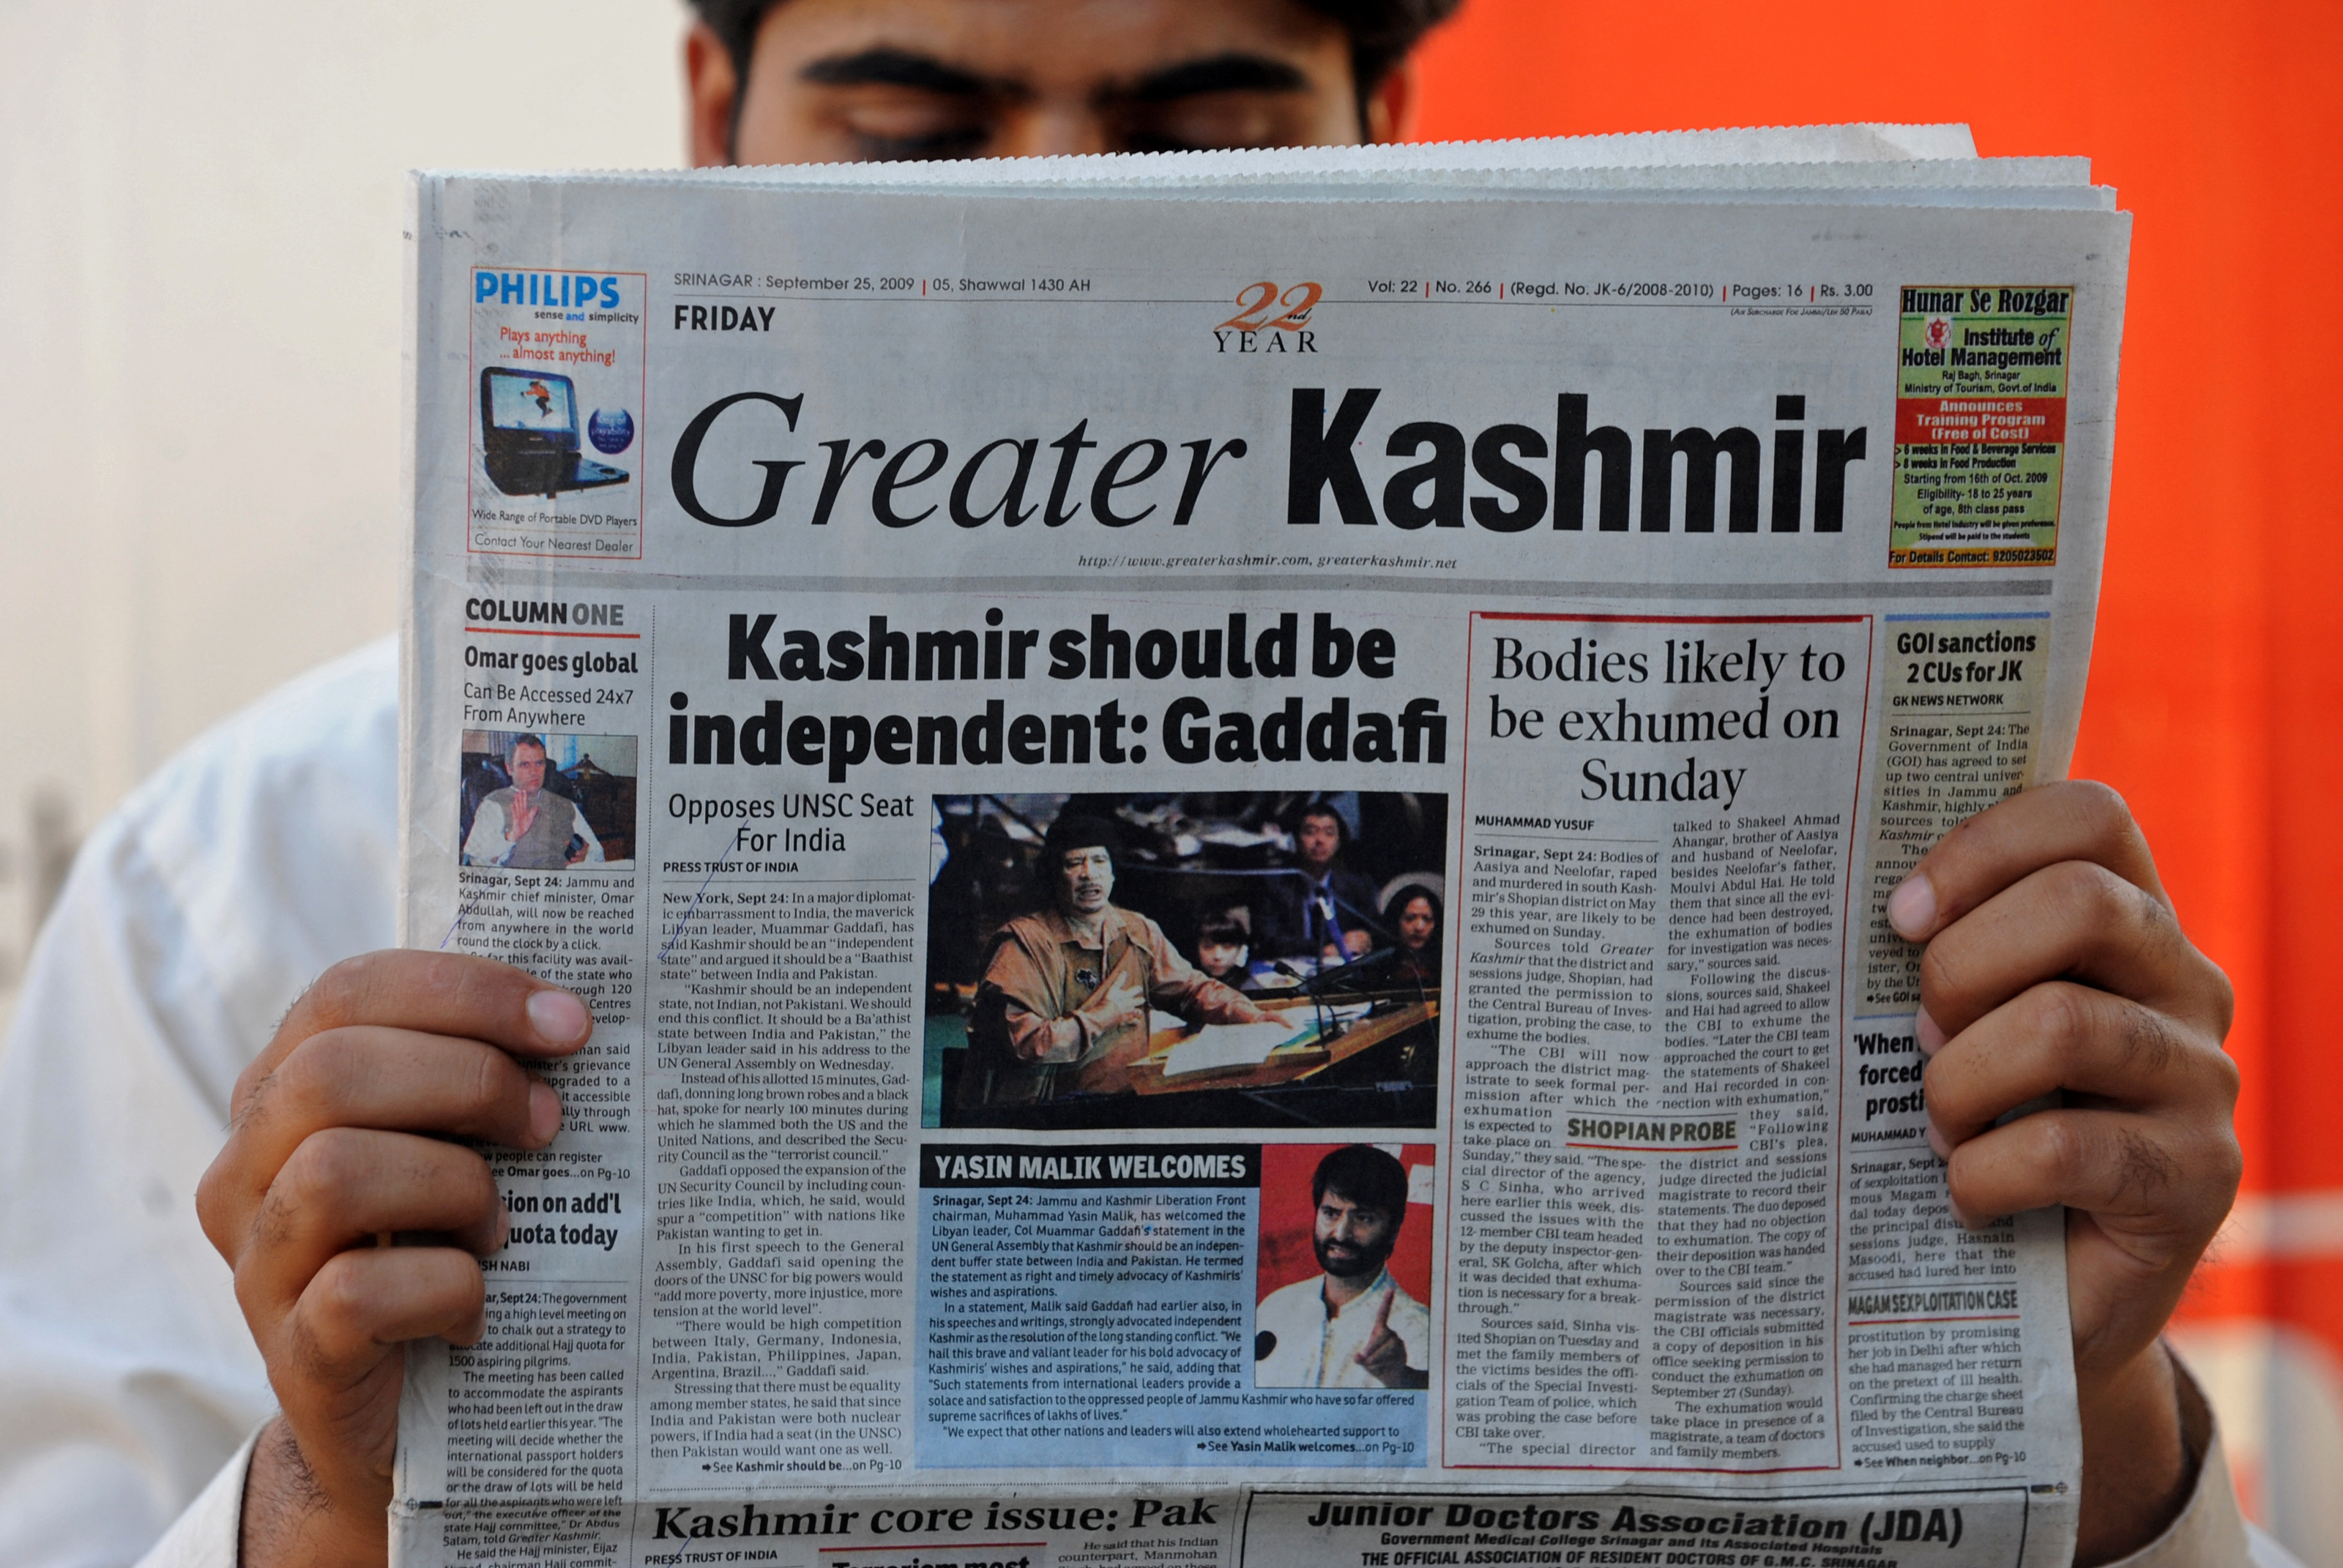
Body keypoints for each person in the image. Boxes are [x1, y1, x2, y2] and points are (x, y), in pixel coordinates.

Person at [0, 1, 2282, 1565]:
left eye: (1199, 130)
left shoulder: (1834, 885)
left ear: (1390, 136)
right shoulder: (241, 886)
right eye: (907, 145)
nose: (1051, 218)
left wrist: (2071, 1415)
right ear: (711, 119)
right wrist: (317, 1497)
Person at [964, 816, 1278, 1105]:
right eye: (1075, 863)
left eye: (1100, 861)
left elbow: (1191, 989)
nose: (1089, 874)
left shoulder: (1137, 931)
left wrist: (1250, 1016)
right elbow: (1027, 1044)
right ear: (1054, 874)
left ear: (1113, 872)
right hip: (1044, 1113)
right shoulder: (1024, 945)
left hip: (1126, 1102)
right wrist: (1104, 1016)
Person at [1255, 1146, 1429, 1389]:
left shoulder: (1418, 1329)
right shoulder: (1277, 1306)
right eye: (1331, 1213)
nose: (1341, 1232)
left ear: (1394, 1231)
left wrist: (1401, 1379)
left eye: (1364, 1218)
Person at [1259, 802, 1384, 964]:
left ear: (1339, 842)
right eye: (1310, 832)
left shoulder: (1358, 885)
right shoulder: (1275, 885)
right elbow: (1269, 941)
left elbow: (1378, 930)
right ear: (1297, 839)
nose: (1319, 840)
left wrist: (1366, 937)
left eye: (1329, 833)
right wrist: (1324, 949)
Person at [458, 734, 605, 868]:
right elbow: (474, 863)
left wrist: (585, 857)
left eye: (539, 763)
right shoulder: (492, 806)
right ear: (509, 768)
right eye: (524, 765)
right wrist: (512, 837)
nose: (534, 772)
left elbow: (598, 854)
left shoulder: (567, 805)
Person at [1384, 884, 1440, 988]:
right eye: (1410, 918)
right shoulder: (1379, 966)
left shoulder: (1444, 968)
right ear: (1396, 921)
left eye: (1427, 919)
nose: (1419, 927)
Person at [1192, 908, 1256, 988]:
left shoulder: (1252, 986)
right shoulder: (1186, 986)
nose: (1218, 956)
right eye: (1208, 947)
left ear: (1239, 949)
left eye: (1227, 947)